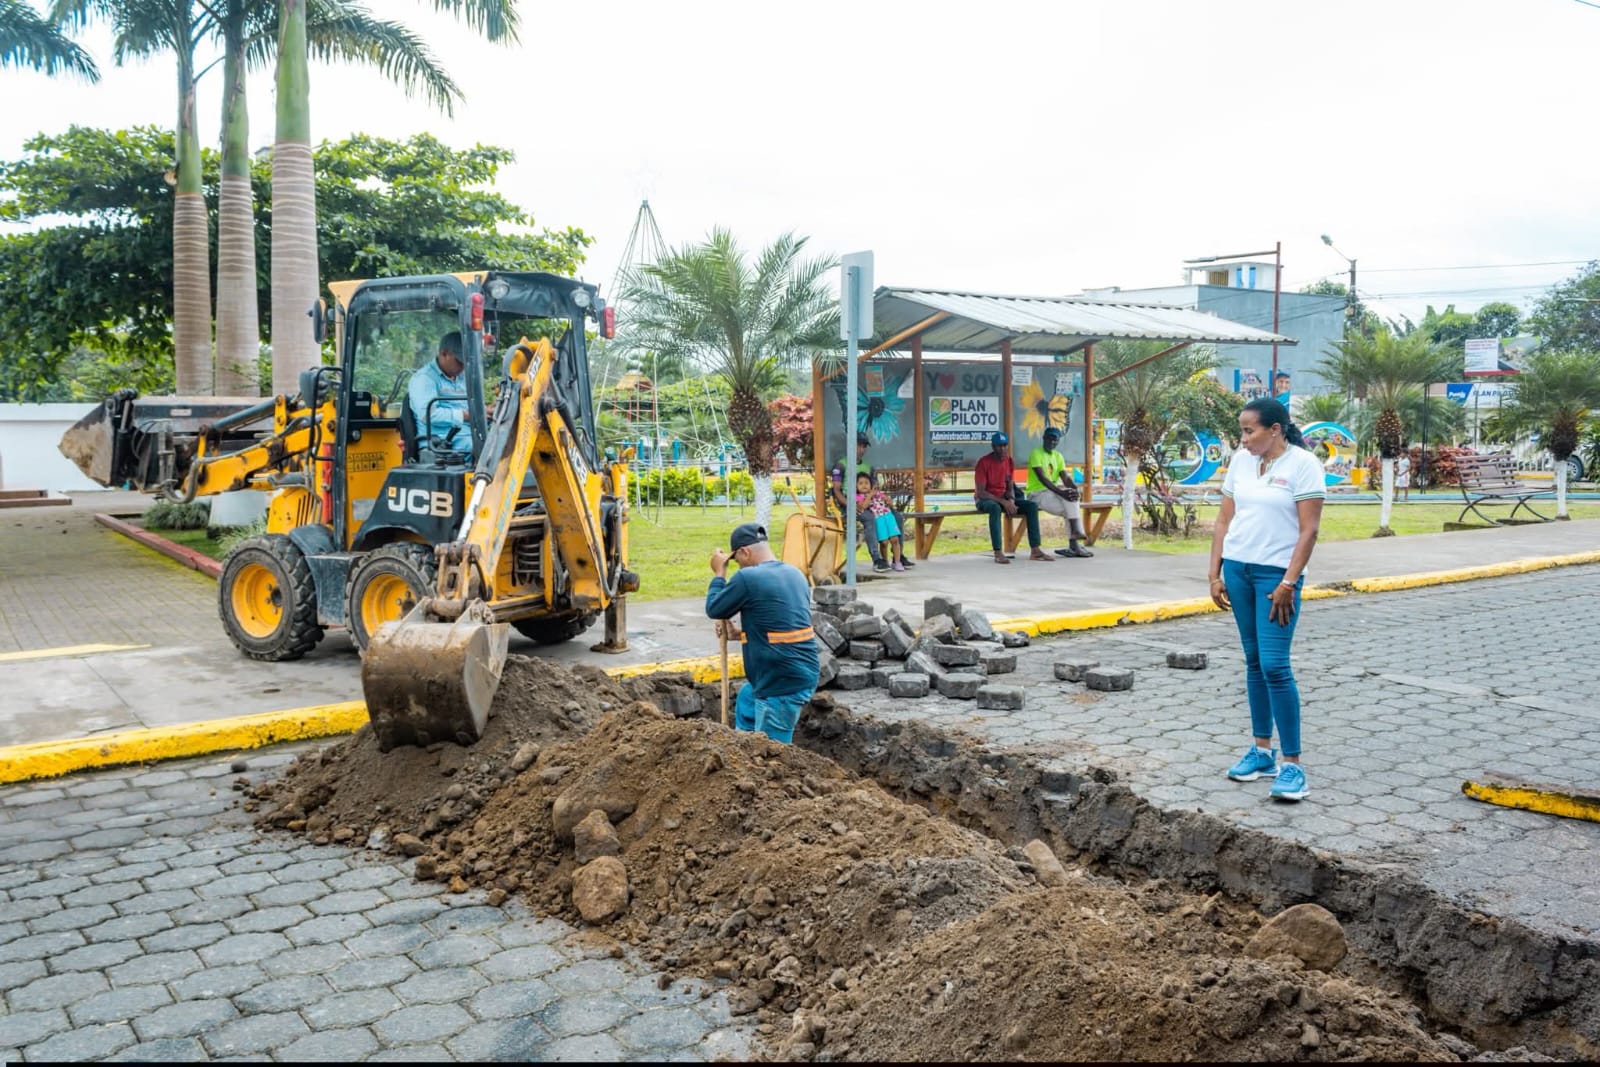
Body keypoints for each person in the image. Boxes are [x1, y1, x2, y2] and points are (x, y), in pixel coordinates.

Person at [1207, 397, 1325, 802]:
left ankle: (1293, 766)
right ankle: (1262, 752)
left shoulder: (1304, 465)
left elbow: (1309, 531)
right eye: (1241, 430)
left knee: (1275, 665)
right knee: (1254, 661)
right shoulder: (1242, 462)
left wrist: (1290, 582)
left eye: (1249, 430)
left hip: (1277, 577)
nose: (1243, 439)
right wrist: (1215, 573)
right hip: (1238, 570)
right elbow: (1224, 520)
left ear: (1275, 429)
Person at [705, 523, 820, 744]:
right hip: (796, 673)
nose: (738, 566)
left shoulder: (748, 578)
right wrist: (740, 634)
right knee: (747, 699)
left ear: (744, 552)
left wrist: (719, 573)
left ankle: (767, 761)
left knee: (772, 751)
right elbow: (783, 627)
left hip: (780, 683)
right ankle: (743, 752)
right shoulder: (795, 574)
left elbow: (714, 608)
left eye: (737, 561)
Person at [828, 432, 912, 572]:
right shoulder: (841, 465)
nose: (861, 449)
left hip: (873, 502)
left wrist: (885, 500)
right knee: (869, 518)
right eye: (858, 446)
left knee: (897, 516)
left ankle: (898, 557)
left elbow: (875, 489)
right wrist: (850, 505)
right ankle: (877, 559)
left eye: (864, 446)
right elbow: (836, 490)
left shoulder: (868, 467)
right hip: (851, 503)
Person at [974, 432, 1050, 565]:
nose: (1003, 449)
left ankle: (1035, 550)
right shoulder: (983, 462)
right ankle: (998, 552)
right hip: (985, 499)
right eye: (999, 446)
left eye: (1005, 445)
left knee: (1031, 506)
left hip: (1003, 498)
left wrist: (1011, 501)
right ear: (993, 447)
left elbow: (1010, 486)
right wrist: (1004, 502)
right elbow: (981, 492)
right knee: (995, 508)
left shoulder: (1009, 461)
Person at [1025, 426, 1093, 558]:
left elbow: (1065, 478)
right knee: (1070, 507)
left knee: (1071, 496)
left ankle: (1074, 544)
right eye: (1049, 438)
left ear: (1058, 441)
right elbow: (1043, 478)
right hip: (1036, 494)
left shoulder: (1058, 456)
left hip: (1051, 493)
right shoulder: (1036, 453)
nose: (1052, 442)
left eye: (1055, 440)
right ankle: (1075, 542)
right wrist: (1061, 493)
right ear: (1044, 438)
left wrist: (1075, 490)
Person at [408, 331, 475, 453]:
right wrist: (465, 415)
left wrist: (485, 411)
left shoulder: (463, 377)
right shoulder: (424, 379)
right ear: (444, 353)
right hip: (441, 441)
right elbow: (428, 415)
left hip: (467, 435)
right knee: (484, 450)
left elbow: (469, 406)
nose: (463, 367)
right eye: (459, 361)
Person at [856, 472, 906, 571]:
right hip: (878, 519)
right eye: (860, 483)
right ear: (856, 486)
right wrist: (870, 495)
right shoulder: (859, 497)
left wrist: (888, 501)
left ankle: (897, 562)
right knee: (884, 542)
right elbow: (863, 507)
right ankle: (885, 562)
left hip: (888, 516)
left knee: (895, 539)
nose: (864, 485)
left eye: (866, 483)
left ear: (871, 484)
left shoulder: (878, 493)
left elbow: (890, 503)